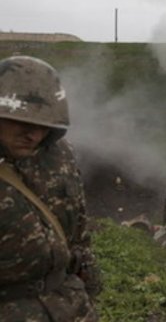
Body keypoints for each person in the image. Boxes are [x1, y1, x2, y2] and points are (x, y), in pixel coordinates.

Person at [0, 55, 101, 320]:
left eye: (43, 126)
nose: (33, 135)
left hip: (70, 305)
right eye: (23, 122)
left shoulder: (60, 156)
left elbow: (78, 228)